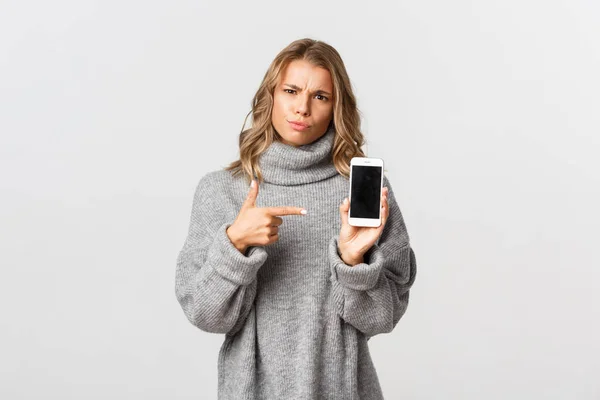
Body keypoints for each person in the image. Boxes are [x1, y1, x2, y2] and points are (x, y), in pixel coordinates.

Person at [175, 38, 417, 400]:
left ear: (337, 107)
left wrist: (353, 263)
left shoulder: (362, 192)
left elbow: (383, 318)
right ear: (269, 96)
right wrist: (235, 245)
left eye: (320, 96)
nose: (302, 107)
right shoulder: (222, 191)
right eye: (291, 90)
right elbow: (206, 315)